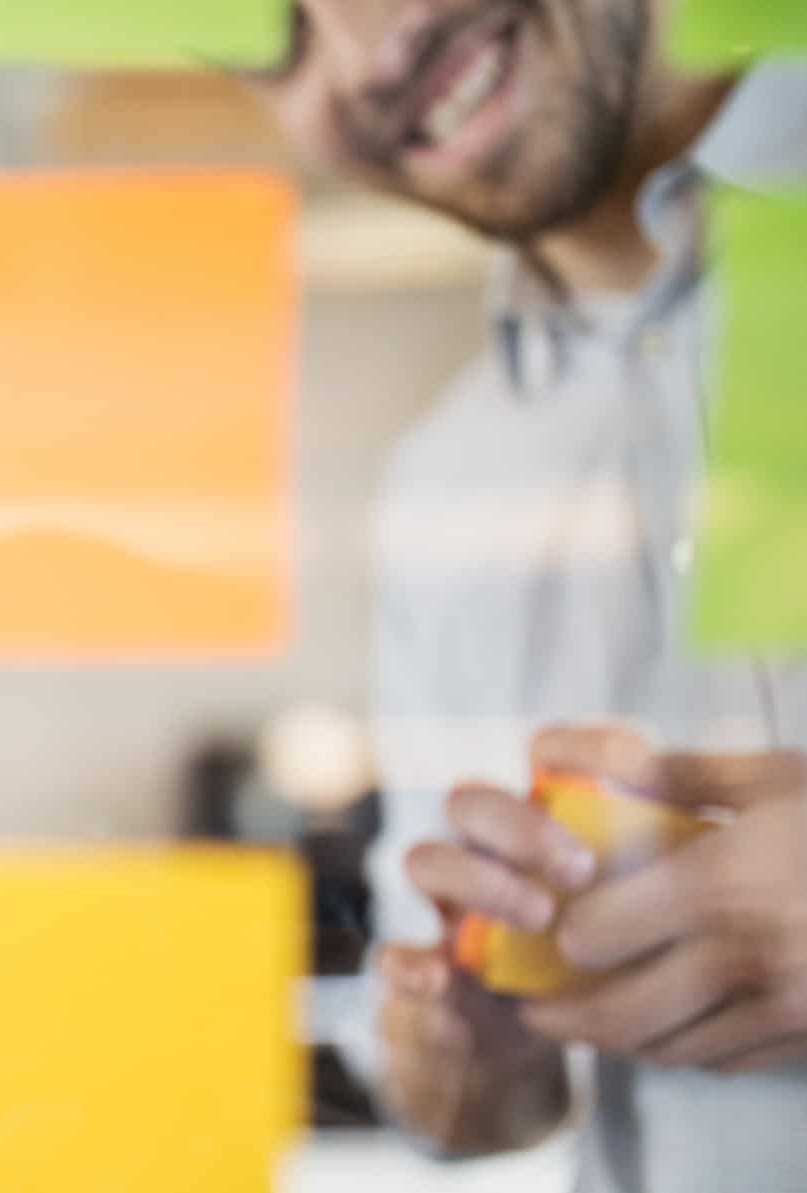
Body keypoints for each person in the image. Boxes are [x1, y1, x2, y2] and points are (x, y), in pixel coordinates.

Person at [242, 1, 807, 1186]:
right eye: (265, 34)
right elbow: (468, 1106)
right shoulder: (444, 486)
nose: (361, 55)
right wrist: (466, 1042)